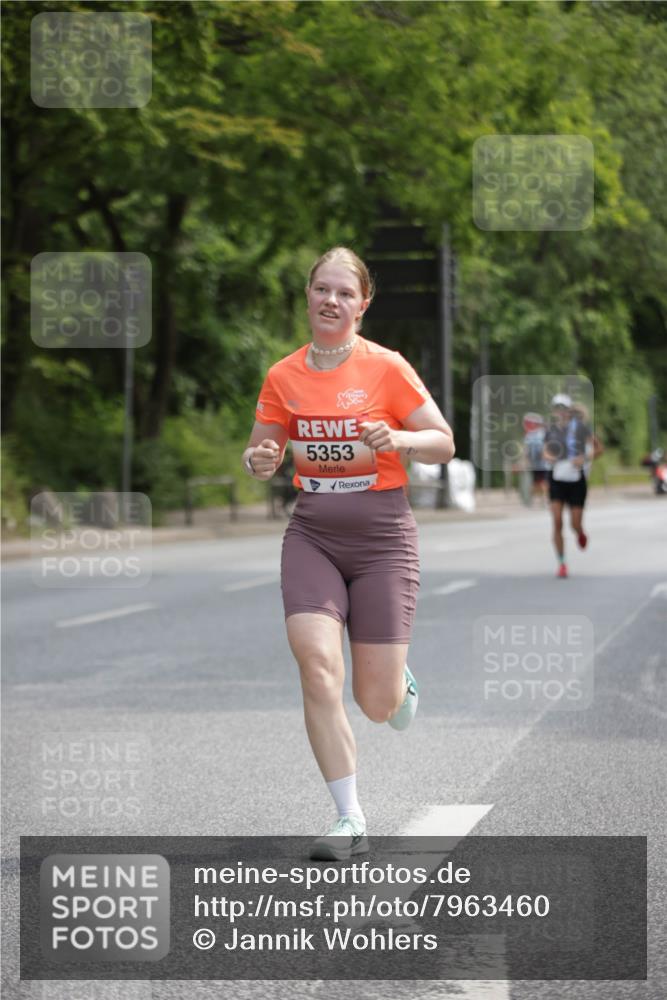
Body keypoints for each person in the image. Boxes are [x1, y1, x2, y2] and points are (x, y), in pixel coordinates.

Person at [242, 246, 454, 860]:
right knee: (315, 664)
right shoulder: (284, 375)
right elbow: (261, 452)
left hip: (384, 538)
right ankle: (349, 818)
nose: (330, 300)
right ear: (307, 296)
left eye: (343, 292)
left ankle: (397, 682)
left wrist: (402, 437)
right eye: (320, 290)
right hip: (312, 534)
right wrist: (258, 461)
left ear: (362, 304)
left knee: (376, 702)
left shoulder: (386, 367)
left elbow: (442, 442)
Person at [543, 394, 597, 578]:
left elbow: (597, 449)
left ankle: (580, 532)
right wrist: (552, 457)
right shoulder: (551, 430)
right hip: (557, 478)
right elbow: (545, 453)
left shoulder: (580, 428)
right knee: (557, 521)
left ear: (569, 410)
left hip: (576, 480)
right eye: (556, 407)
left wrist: (584, 458)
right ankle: (562, 562)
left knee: (574, 524)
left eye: (562, 407)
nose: (559, 411)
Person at [522, 412, 549, 506]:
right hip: (541, 464)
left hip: (538, 463)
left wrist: (526, 461)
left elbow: (526, 451)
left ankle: (536, 500)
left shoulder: (531, 435)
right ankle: (541, 500)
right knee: (541, 483)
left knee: (539, 482)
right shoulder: (542, 434)